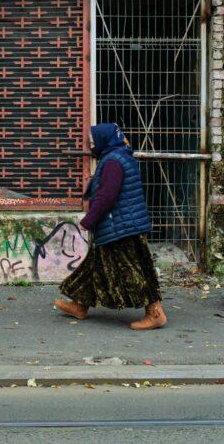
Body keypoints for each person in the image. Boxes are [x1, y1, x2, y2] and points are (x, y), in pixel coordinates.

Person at [53, 122, 167, 330]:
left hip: (121, 227)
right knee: (94, 267)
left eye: (93, 142)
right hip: (119, 224)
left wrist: (89, 220)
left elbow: (106, 196)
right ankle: (80, 305)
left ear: (105, 140)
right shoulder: (116, 157)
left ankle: (155, 312)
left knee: (132, 272)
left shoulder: (113, 162)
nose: (91, 146)